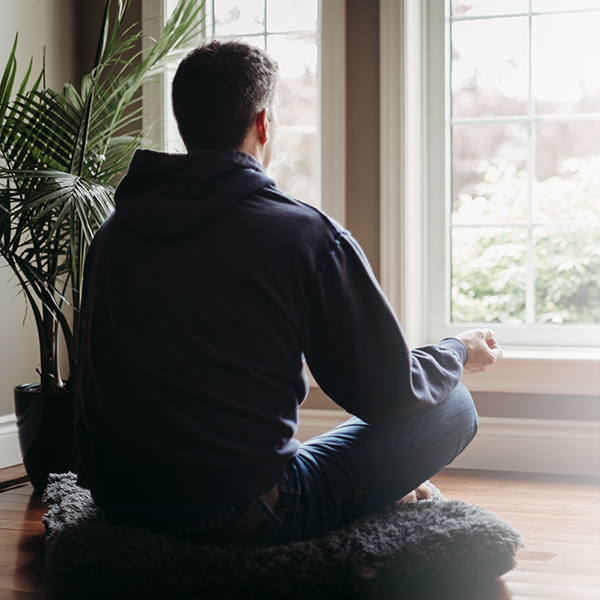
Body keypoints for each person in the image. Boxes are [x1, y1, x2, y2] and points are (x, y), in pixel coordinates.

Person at [75, 40, 502, 547]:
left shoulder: (112, 234)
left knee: (290, 450)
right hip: (241, 513)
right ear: (262, 123)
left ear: (184, 124)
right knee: (454, 406)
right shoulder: (304, 234)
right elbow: (386, 392)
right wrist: (458, 349)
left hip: (121, 505)